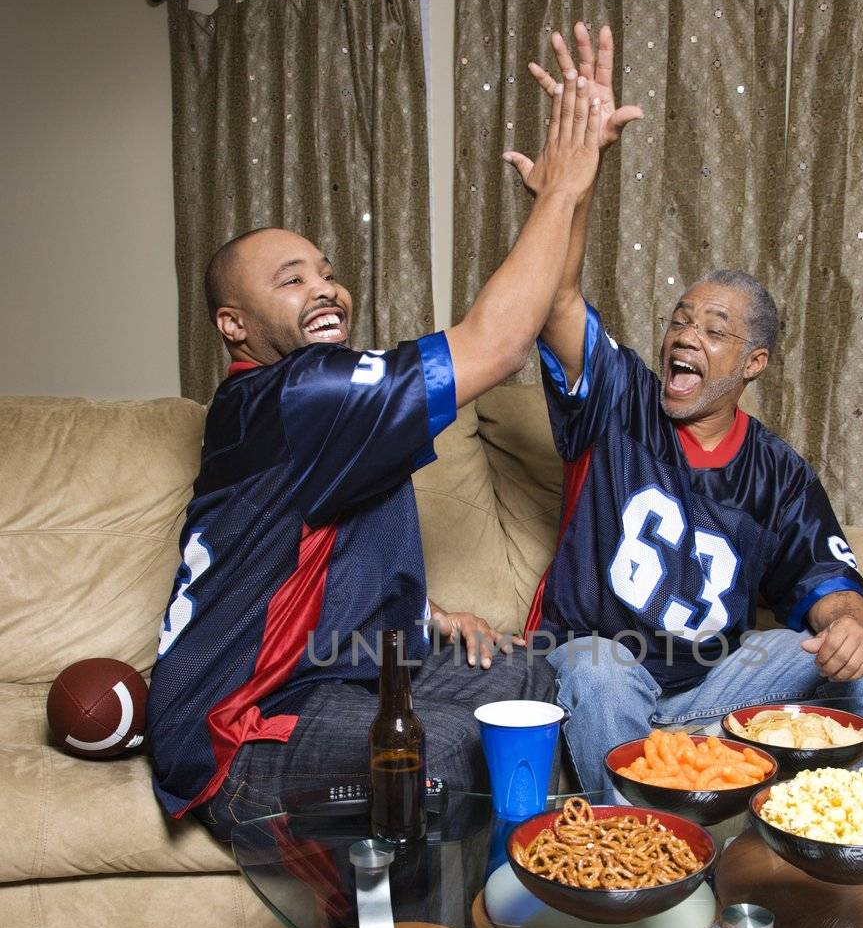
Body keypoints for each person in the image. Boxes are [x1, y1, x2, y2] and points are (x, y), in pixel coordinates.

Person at [147, 71, 603, 841]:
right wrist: (560, 193)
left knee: (527, 677)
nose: (325, 289)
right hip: (242, 723)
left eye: (327, 273)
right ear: (233, 324)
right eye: (291, 281)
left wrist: (422, 612)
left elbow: (311, 542)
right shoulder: (298, 395)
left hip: (337, 670)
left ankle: (515, 879)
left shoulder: (319, 409)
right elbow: (496, 343)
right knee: (443, 747)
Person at [504, 24, 863, 795]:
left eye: (714, 331)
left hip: (708, 697)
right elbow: (556, 299)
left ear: (752, 364)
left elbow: (825, 577)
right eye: (681, 320)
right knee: (595, 666)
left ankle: (778, 809)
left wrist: (847, 624)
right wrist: (576, 183)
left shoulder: (776, 470)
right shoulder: (619, 402)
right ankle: (648, 843)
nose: (685, 336)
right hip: (598, 676)